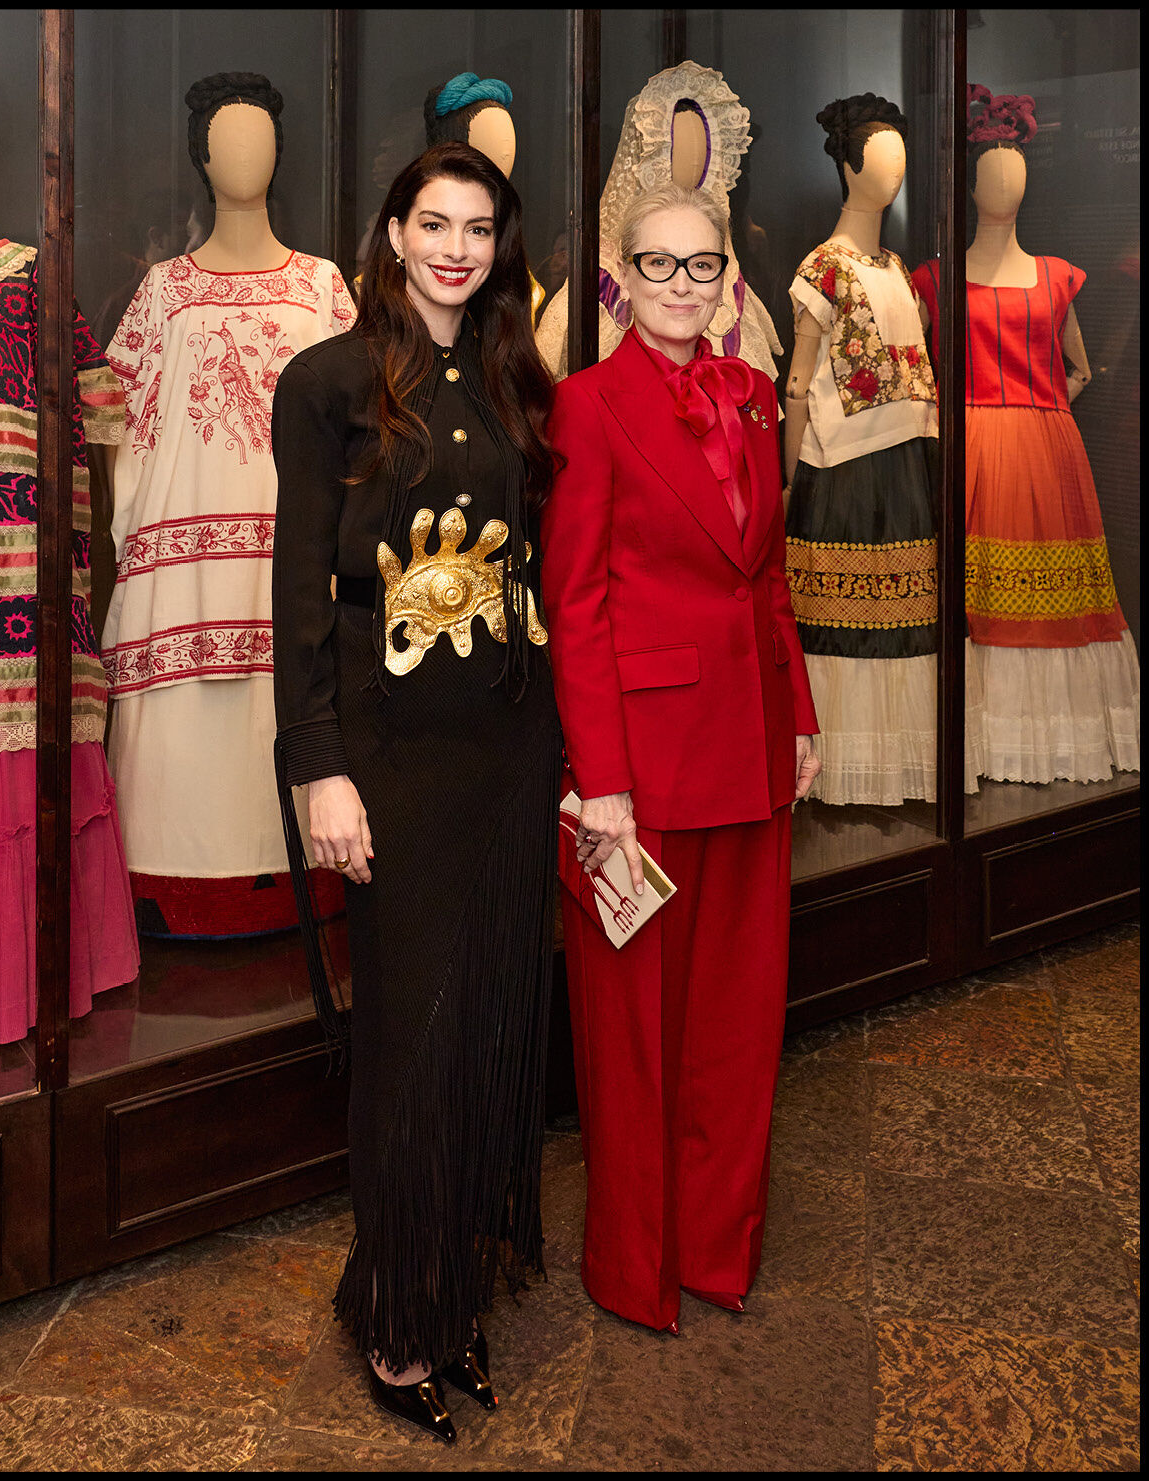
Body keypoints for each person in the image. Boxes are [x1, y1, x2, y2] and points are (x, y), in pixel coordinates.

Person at [269, 141, 562, 1444]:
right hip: (383, 760)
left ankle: (446, 1298)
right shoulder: (325, 381)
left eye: (477, 226)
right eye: (431, 222)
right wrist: (316, 766)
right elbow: (291, 602)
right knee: (408, 1045)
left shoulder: (514, 381)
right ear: (389, 234)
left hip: (504, 754)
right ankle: (393, 1324)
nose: (454, 246)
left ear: (501, 245)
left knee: (489, 1025)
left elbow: (534, 573)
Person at [540, 182, 821, 1334]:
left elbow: (767, 574)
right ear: (619, 277)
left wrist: (796, 710)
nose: (679, 287)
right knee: (632, 1034)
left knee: (738, 1023)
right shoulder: (585, 407)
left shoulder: (755, 396)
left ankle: (716, 1249)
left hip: (750, 748)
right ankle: (634, 1266)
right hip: (641, 772)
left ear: (726, 280)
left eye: (700, 266)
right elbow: (576, 602)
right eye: (656, 266)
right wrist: (597, 778)